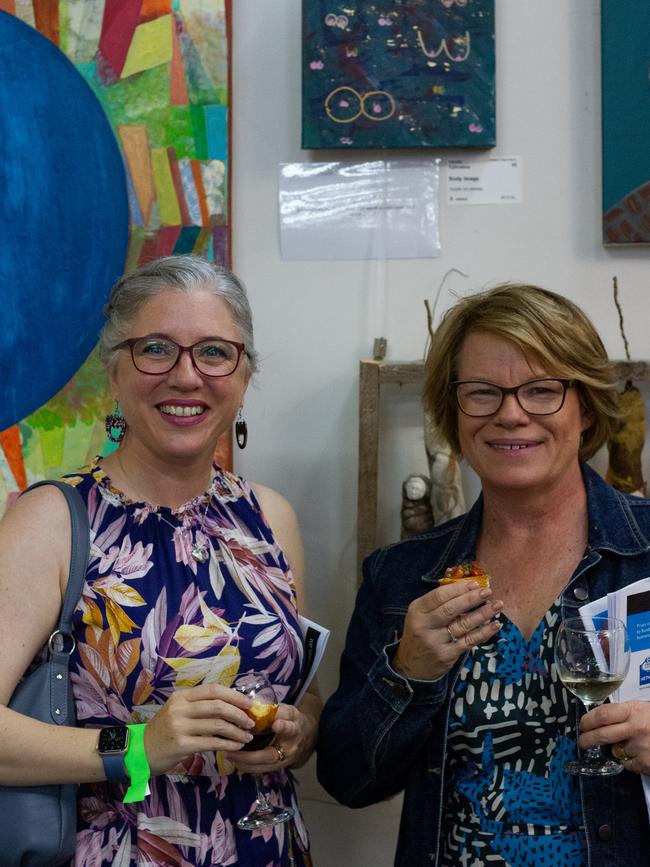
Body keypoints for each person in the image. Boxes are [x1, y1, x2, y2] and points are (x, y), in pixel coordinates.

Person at [0, 255, 321, 865]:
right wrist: (140, 745)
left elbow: (302, 694)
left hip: (267, 846)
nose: (186, 376)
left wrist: (296, 733)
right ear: (115, 374)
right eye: (155, 349)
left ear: (244, 374)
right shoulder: (53, 520)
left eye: (214, 352)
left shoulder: (270, 517)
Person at [317, 283, 650, 866]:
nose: (510, 413)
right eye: (482, 393)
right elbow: (348, 780)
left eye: (542, 390)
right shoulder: (403, 577)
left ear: (587, 407)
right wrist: (407, 674)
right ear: (454, 412)